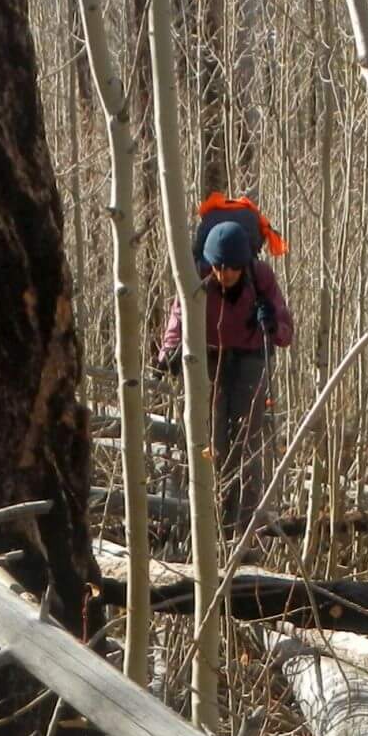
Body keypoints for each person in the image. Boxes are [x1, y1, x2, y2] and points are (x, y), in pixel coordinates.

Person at [155, 219, 295, 531]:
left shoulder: (261, 277)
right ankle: (201, 528)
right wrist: (168, 355)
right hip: (207, 361)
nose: (224, 274)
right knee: (206, 443)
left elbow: (286, 335)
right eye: (219, 267)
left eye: (232, 267)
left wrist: (272, 324)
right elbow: (178, 320)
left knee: (246, 446)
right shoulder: (197, 278)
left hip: (250, 362)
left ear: (244, 264)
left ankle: (243, 530)